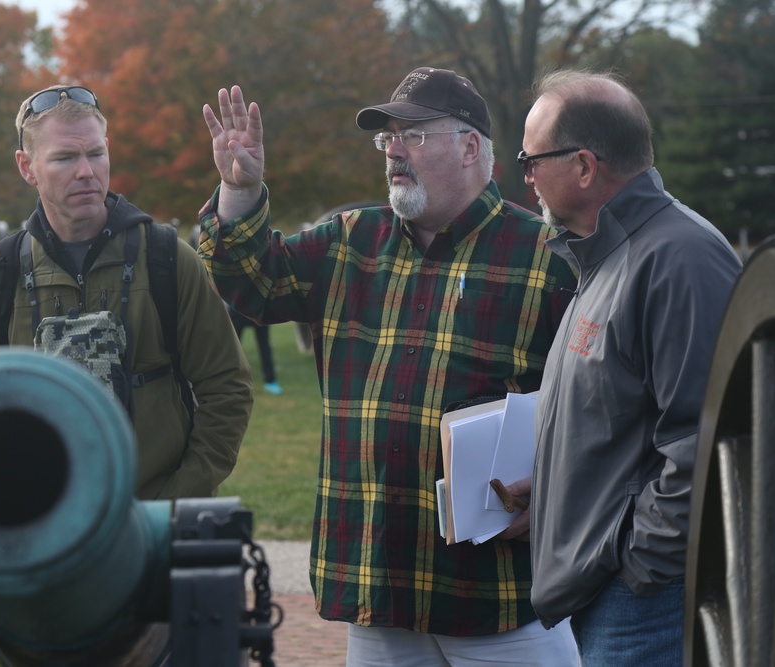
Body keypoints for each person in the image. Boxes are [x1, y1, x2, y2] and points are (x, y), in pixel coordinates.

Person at [198, 67, 580, 665]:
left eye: (415, 135)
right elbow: (251, 280)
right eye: (387, 139)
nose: (394, 151)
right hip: (379, 587)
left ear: (471, 146)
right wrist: (240, 189)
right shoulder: (350, 241)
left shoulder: (549, 257)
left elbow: (607, 402)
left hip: (501, 596)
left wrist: (561, 488)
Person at [508, 69, 743, 666]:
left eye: (531, 159)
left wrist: (638, 568)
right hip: (616, 592)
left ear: (584, 167)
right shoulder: (606, 253)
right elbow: (621, 416)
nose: (526, 176)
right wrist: (564, 483)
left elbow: (706, 443)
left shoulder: (678, 258)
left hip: (643, 601)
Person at [0, 84, 253, 500]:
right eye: (64, 157)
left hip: (159, 523)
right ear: (27, 167)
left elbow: (227, 389)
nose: (86, 171)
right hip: (41, 529)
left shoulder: (168, 261)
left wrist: (177, 500)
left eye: (96, 154)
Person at [227, 304, 282, 395]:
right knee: (234, 347)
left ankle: (271, 381)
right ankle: (230, 381)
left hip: (254, 309)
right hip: (247, 308)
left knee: (262, 345)